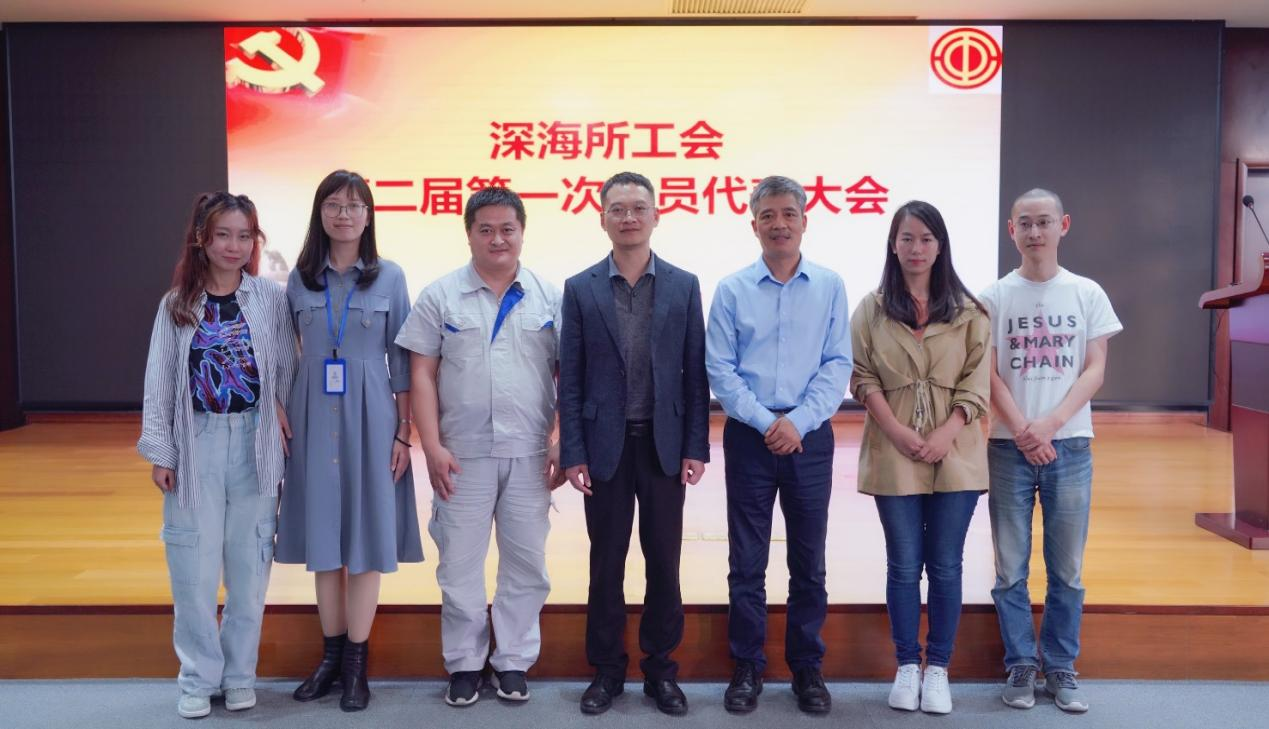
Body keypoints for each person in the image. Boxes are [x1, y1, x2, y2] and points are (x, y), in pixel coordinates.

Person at [395, 187, 564, 706]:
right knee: (459, 565)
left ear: (522, 233)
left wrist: (562, 439)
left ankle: (512, 661)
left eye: (507, 229)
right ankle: (465, 663)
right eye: (485, 229)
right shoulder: (440, 296)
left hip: (530, 453)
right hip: (461, 454)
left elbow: (570, 376)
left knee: (526, 564)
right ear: (469, 233)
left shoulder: (549, 297)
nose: (497, 239)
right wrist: (431, 446)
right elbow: (421, 375)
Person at [138, 192, 296, 719]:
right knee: (193, 569)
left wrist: (277, 405)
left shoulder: (269, 299)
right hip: (196, 442)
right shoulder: (177, 304)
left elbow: (285, 367)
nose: (234, 245)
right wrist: (162, 450)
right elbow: (160, 380)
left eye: (244, 235)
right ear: (201, 239)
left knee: (250, 568)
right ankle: (198, 678)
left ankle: (239, 675)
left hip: (255, 441)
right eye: (223, 234)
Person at [559, 171, 710, 716]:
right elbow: (571, 378)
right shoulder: (580, 288)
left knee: (664, 562)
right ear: (601, 217)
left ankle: (661, 671)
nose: (628, 217)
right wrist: (572, 452)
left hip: (664, 445)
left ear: (655, 215)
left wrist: (696, 445)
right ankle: (607, 671)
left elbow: (695, 372)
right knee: (606, 563)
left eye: (638, 207)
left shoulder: (683, 284)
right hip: (605, 447)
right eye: (617, 208)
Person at [276, 169, 424, 712]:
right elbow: (282, 351)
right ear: (320, 213)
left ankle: (357, 665)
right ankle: (331, 660)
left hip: (372, 417)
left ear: (368, 216)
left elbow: (401, 362)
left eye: (355, 206)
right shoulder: (299, 280)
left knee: (364, 539)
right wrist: (277, 402)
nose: (344, 214)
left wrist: (404, 432)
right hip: (312, 416)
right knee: (324, 542)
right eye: (334, 205)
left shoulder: (391, 277)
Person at [705, 175, 851, 715]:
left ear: (805, 221)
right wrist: (769, 422)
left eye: (789, 213)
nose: (779, 224)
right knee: (747, 562)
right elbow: (721, 369)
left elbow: (837, 363)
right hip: (750, 436)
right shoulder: (732, 289)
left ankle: (807, 667)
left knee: (809, 561)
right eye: (768, 215)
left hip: (809, 439)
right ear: (754, 225)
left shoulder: (830, 285)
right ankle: (747, 666)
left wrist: (800, 422)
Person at [982, 188, 1122, 714]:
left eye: (1044, 222)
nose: (1034, 232)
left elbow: (1095, 368)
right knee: (1009, 569)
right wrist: (1023, 429)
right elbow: (988, 373)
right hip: (1008, 448)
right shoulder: (993, 297)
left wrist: (1051, 424)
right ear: (1011, 230)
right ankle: (1021, 662)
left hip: (1071, 445)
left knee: (1067, 570)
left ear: (1063, 225)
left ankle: (1061, 666)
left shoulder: (1087, 293)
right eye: (1025, 223)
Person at [849, 200, 990, 714]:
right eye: (907, 238)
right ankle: (907, 664)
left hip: (957, 452)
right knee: (904, 565)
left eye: (926, 238)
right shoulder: (871, 308)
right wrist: (896, 430)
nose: (916, 248)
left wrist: (947, 432)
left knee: (946, 566)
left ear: (940, 245)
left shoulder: (970, 311)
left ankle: (939, 669)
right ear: (893, 244)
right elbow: (861, 376)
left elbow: (977, 381)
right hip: (894, 450)